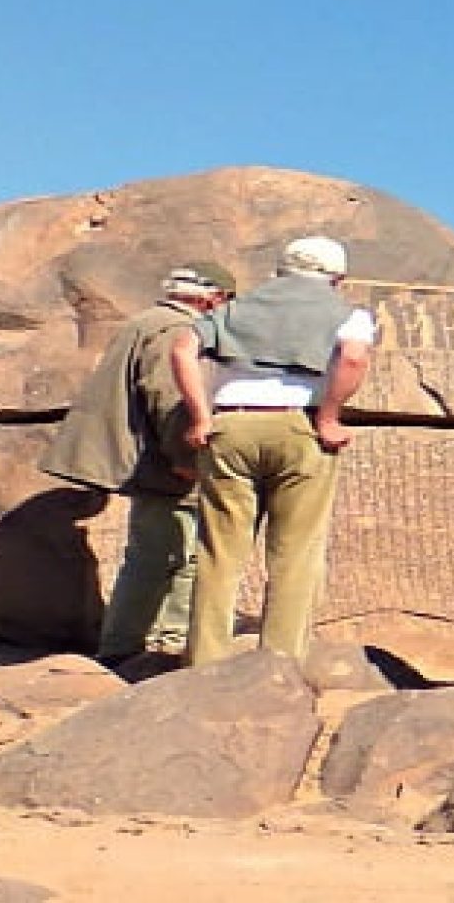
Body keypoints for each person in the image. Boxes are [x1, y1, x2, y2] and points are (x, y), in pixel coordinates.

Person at [170, 236, 376, 665]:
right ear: (337, 277)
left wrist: (201, 417)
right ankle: (280, 665)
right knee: (295, 554)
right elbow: (354, 358)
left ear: (281, 269)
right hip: (301, 426)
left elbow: (183, 349)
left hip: (231, 425)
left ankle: (204, 663)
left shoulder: (234, 309)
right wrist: (330, 417)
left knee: (219, 552)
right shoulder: (348, 314)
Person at [39, 262, 238, 664]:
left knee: (163, 551)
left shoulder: (147, 321)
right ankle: (149, 645)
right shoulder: (176, 330)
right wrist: (184, 457)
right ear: (213, 297)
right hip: (165, 461)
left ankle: (143, 642)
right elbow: (170, 398)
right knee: (170, 554)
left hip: (149, 455)